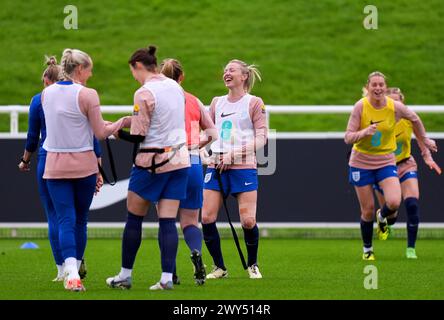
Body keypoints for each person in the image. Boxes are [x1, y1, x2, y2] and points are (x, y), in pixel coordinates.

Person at [42, 48, 130, 291]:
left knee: (64, 220)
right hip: (84, 166)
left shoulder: (46, 93)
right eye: (90, 69)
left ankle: (71, 272)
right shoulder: (88, 94)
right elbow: (101, 132)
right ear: (80, 69)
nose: (91, 74)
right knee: (80, 220)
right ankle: (74, 271)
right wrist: (122, 122)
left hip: (54, 165)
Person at [106, 45, 190, 291]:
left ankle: (124, 275)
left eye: (132, 70)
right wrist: (126, 121)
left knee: (134, 217)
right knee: (167, 220)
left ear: (139, 67)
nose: (133, 75)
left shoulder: (143, 92)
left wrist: (116, 133)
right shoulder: (176, 87)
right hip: (179, 159)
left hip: (151, 163)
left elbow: (140, 135)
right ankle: (165, 278)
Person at [18, 56, 103, 282]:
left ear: (47, 79)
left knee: (57, 217)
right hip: (83, 157)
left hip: (50, 158)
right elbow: (94, 134)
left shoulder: (41, 98)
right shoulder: (84, 95)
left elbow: (31, 137)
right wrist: (99, 166)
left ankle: (62, 268)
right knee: (80, 219)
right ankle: (76, 260)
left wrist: (25, 160)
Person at [344, 71, 437, 261]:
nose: (378, 88)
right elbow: (348, 137)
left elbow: (415, 119)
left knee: (394, 202)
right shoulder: (360, 107)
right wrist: (364, 132)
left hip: (386, 160)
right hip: (361, 162)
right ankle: (367, 249)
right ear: (368, 87)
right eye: (374, 85)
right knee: (367, 209)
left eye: (381, 85)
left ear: (385, 88)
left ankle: (383, 217)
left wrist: (425, 140)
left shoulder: (394, 106)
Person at [201, 59, 267, 279]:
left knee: (248, 220)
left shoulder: (254, 102)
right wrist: (194, 146)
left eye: (231, 70)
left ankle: (253, 264)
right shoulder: (216, 102)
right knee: (207, 217)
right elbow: (208, 133)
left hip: (244, 166)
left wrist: (233, 154)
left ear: (244, 76)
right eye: (225, 69)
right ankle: (219, 267)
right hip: (216, 166)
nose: (226, 73)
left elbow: (262, 138)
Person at [159, 58, 218, 285]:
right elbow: (213, 133)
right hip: (192, 160)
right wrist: (196, 145)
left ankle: (170, 273)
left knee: (166, 221)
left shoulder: (156, 98)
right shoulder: (193, 100)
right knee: (191, 221)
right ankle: (196, 252)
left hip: (166, 160)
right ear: (181, 77)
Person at [373, 87, 441, 259]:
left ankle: (411, 249)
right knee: (392, 215)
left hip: (406, 164)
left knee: (412, 204)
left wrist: (428, 158)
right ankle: (382, 216)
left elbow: (421, 139)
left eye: (398, 101)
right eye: (392, 101)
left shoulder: (409, 119)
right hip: (384, 167)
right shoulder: (379, 121)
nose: (395, 105)